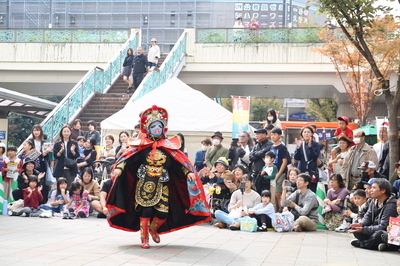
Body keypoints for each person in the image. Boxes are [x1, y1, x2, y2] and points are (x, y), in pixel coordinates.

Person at [106, 105, 211, 249]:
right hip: (145, 181)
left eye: (159, 126)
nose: (156, 129)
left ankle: (153, 229)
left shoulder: (169, 147)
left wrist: (188, 172)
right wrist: (119, 167)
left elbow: (177, 163)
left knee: (162, 212)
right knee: (146, 210)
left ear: (164, 129)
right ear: (147, 128)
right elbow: (128, 159)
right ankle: (144, 238)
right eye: (153, 126)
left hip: (163, 182)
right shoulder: (141, 146)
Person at [350, 179, 397, 250]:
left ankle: (363, 244)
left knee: (379, 234)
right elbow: (368, 216)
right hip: (374, 229)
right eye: (371, 188)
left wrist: (364, 229)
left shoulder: (391, 205)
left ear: (383, 191)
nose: (371, 190)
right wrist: (361, 224)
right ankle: (375, 244)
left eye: (374, 188)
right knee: (356, 227)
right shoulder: (374, 201)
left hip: (385, 233)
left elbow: (383, 226)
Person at [294, 126, 320, 192]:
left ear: (312, 134)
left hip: (311, 170)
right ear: (302, 134)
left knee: (311, 189)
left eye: (308, 132)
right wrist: (298, 148)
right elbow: (296, 157)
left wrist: (310, 147)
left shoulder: (316, 144)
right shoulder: (300, 144)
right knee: (300, 189)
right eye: (304, 132)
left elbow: (315, 156)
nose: (306, 134)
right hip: (301, 168)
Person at [269, 127, 290, 211]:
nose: (273, 136)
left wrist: (279, 174)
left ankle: (281, 210)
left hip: (280, 173)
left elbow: (284, 161)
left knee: (278, 193)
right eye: (271, 134)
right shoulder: (271, 147)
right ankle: (275, 211)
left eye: (275, 134)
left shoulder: (282, 147)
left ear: (279, 136)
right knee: (273, 194)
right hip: (271, 173)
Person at [249, 128, 273, 194]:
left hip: (265, 173)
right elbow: (250, 157)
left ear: (264, 135)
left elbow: (264, 153)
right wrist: (258, 155)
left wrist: (256, 154)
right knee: (256, 191)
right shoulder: (256, 146)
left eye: (258, 134)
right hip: (255, 173)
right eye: (256, 134)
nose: (256, 136)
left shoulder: (270, 144)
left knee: (265, 193)